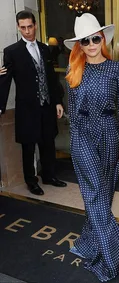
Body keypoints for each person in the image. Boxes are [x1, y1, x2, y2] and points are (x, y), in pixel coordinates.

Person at [64, 13, 119, 282]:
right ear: (79, 45)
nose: (91, 44)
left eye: (95, 38)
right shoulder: (74, 71)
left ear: (102, 39)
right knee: (94, 195)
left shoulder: (116, 70)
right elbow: (71, 108)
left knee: (102, 195)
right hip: (81, 136)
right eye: (85, 40)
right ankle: (112, 257)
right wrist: (73, 139)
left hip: (109, 135)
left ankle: (88, 244)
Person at [0, 11, 67, 195]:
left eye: (30, 26)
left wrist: (57, 102)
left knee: (48, 141)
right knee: (28, 146)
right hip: (27, 108)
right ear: (18, 27)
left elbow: (51, 78)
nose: (27, 31)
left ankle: (49, 175)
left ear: (35, 25)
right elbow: (5, 80)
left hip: (46, 105)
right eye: (23, 27)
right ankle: (31, 181)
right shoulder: (11, 52)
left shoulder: (45, 48)